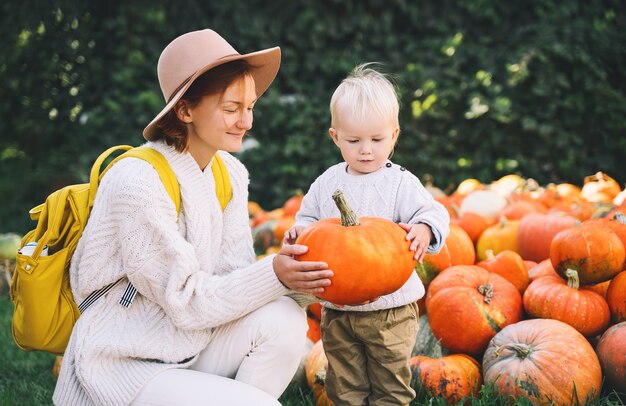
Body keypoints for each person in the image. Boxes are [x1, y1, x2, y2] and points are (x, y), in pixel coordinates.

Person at [53, 29, 333, 406]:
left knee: (284, 317)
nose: (246, 122)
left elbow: (231, 283)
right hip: (123, 364)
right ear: (185, 110)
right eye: (231, 108)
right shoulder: (136, 182)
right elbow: (186, 300)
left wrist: (295, 276)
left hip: (190, 343)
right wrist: (273, 274)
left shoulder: (229, 174)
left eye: (250, 107)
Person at [284, 64, 450, 405]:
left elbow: (434, 213)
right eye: (354, 140)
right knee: (344, 385)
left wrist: (423, 228)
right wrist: (298, 231)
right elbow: (309, 220)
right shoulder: (328, 182)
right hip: (338, 310)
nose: (366, 150)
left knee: (390, 384)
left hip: (391, 310)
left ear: (394, 136)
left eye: (377, 140)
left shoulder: (400, 181)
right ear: (335, 137)